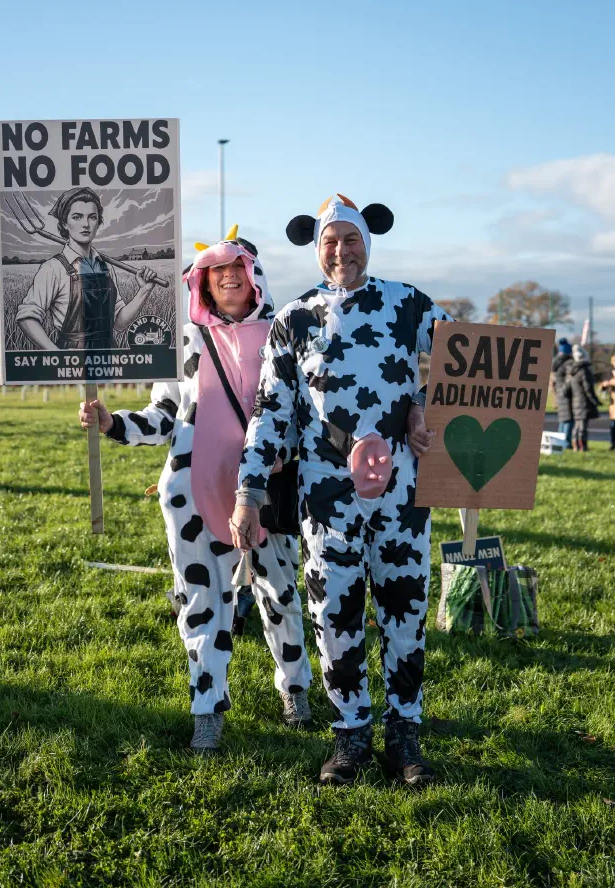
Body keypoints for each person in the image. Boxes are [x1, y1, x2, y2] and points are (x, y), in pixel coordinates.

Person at [231, 194, 449, 787]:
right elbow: (270, 411)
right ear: (315, 245)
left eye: (350, 239)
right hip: (325, 493)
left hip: (402, 488)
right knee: (334, 613)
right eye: (330, 240)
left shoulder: (409, 304)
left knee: (404, 608)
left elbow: (469, 363)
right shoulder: (294, 318)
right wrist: (248, 494)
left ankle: (405, 734)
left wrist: (425, 407)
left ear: (367, 243)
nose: (341, 250)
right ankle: (350, 733)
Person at [79, 226, 313, 754]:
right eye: (217, 271)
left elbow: (303, 413)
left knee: (280, 593)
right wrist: (113, 422)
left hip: (267, 489)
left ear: (255, 277)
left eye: (239, 268)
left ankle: (295, 688)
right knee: (202, 602)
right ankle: (207, 710)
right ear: (202, 282)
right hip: (191, 490)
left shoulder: (286, 335)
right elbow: (165, 415)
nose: (229, 276)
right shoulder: (184, 340)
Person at [16, 186, 158, 350]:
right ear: (64, 223)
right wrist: (56, 354)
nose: (85, 224)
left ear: (98, 223)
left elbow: (118, 323)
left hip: (109, 356)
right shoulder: (53, 269)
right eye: (77, 217)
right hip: (74, 362)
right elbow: (27, 317)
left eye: (92, 217)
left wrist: (144, 290)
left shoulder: (105, 268)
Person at [569, 344, 600, 451]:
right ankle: (583, 447)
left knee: (577, 426)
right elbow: (588, 388)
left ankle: (575, 446)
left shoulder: (573, 371)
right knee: (582, 427)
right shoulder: (584, 371)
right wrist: (595, 400)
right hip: (583, 402)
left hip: (575, 402)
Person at [551, 337, 574, 449]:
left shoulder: (556, 364)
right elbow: (570, 379)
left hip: (559, 394)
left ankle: (559, 442)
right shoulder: (568, 363)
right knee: (569, 419)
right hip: (566, 394)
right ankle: (566, 443)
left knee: (563, 419)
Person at [600, 354, 615, 451]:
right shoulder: (609, 373)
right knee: (613, 426)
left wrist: (610, 382)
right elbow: (602, 386)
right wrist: (604, 385)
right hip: (613, 403)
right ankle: (613, 443)